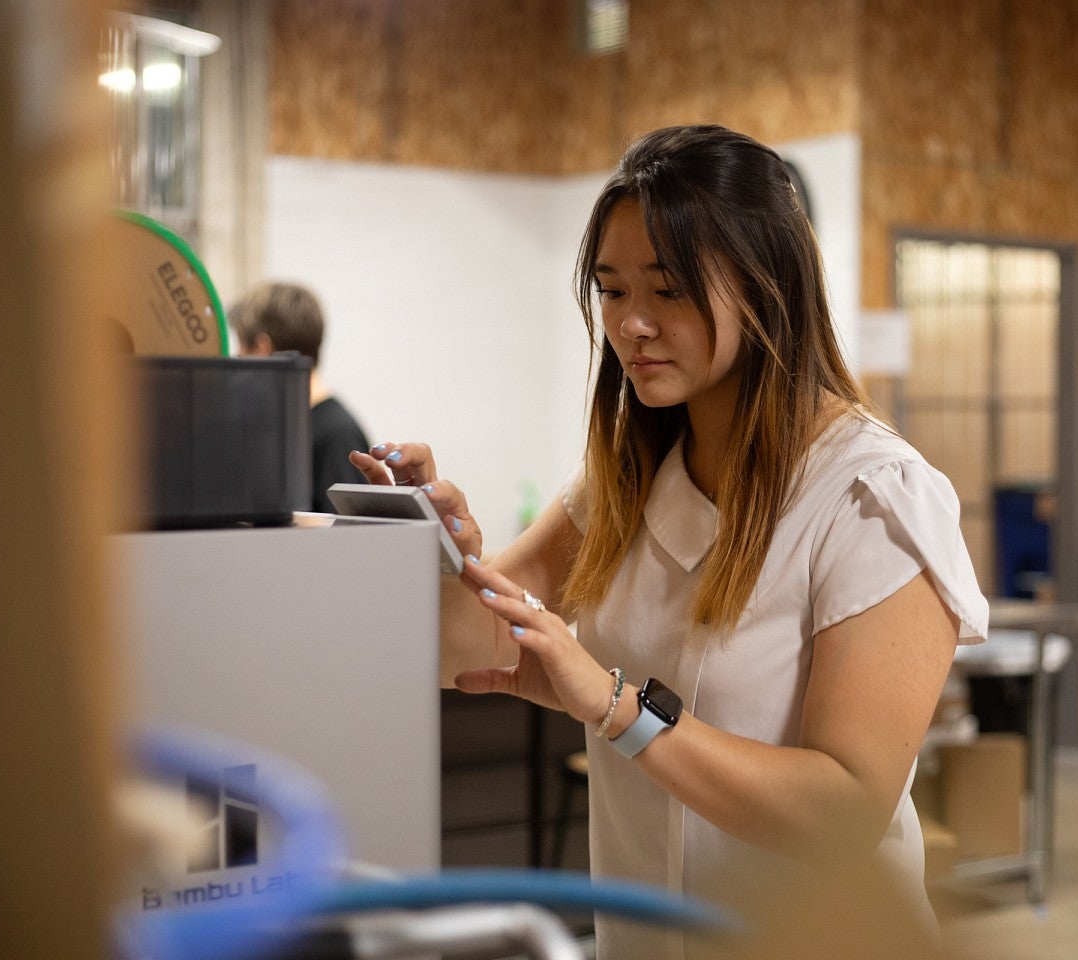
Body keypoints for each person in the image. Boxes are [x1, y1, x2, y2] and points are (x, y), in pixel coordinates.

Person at [350, 124, 988, 959]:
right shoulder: (624, 482)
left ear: (767, 286)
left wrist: (619, 709)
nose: (633, 325)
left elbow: (844, 810)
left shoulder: (873, 499)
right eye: (612, 292)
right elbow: (460, 650)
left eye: (670, 290)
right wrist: (439, 553)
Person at [229, 281, 370, 513]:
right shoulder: (296, 426)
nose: (238, 358)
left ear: (263, 349)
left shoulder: (336, 436)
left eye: (242, 347)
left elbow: (348, 540)